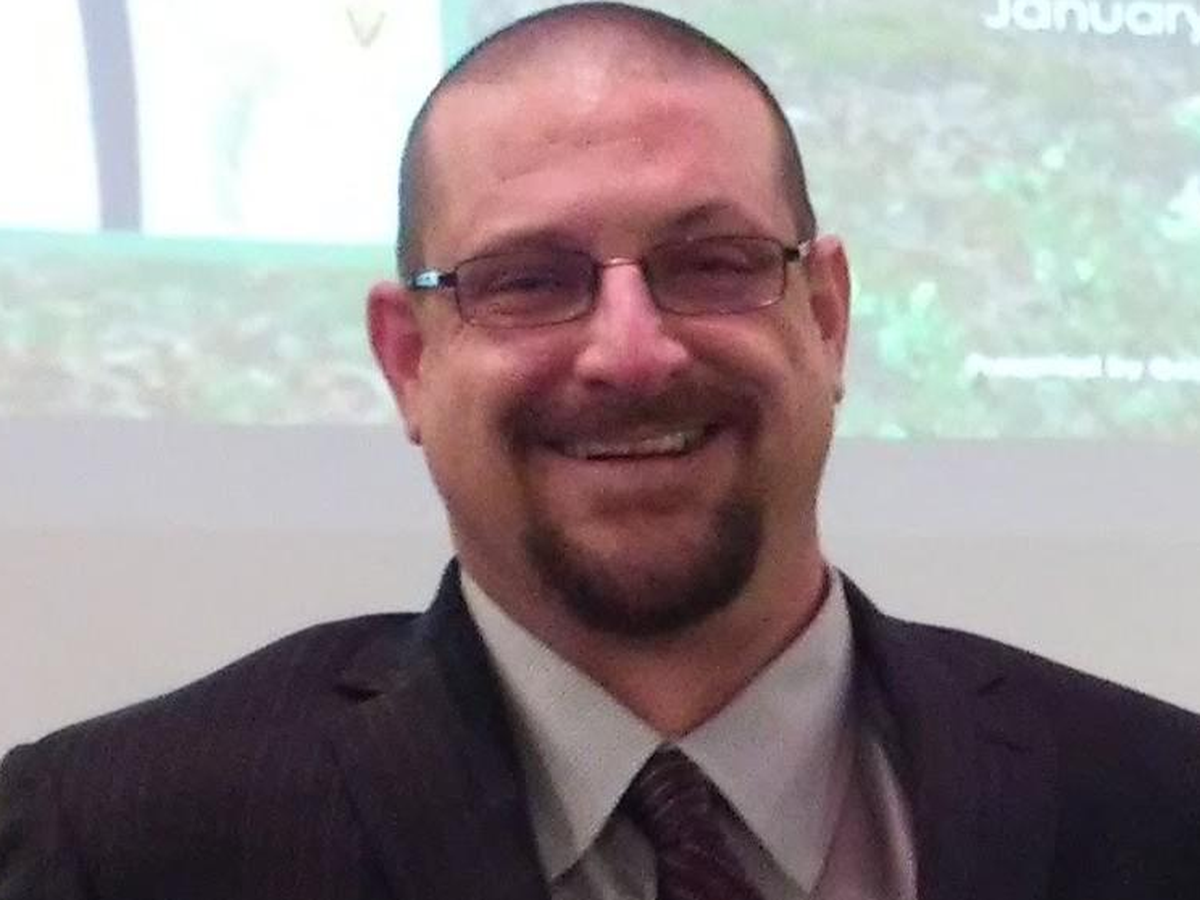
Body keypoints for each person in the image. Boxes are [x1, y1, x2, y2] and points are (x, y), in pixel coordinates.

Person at [2, 3, 1198, 898]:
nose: (632, 353)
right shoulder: (111, 846)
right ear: (409, 359)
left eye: (713, 264)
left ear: (826, 318)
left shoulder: (1160, 807)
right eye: (528, 280)